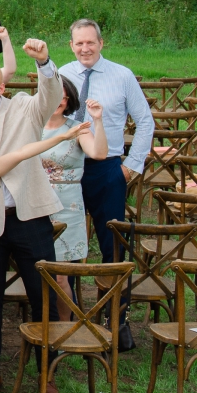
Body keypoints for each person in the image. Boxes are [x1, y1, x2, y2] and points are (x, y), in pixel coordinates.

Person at [0, 40, 63, 393]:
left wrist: (44, 63)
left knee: (43, 296)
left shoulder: (23, 108)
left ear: (1, 88)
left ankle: (46, 373)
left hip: (28, 215)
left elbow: (50, 96)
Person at [58, 18, 153, 350]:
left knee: (114, 243)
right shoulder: (62, 74)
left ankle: (118, 320)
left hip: (107, 168)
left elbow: (145, 121)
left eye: (90, 42)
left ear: (101, 43)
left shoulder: (122, 75)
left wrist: (131, 166)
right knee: (65, 242)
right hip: (68, 167)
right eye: (78, 43)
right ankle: (66, 317)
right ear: (71, 45)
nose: (85, 48)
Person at [40, 79, 111, 267]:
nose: (58, 101)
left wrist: (97, 119)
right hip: (36, 203)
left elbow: (99, 153)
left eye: (63, 97)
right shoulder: (31, 126)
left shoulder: (78, 128)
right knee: (35, 269)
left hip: (66, 205)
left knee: (62, 273)